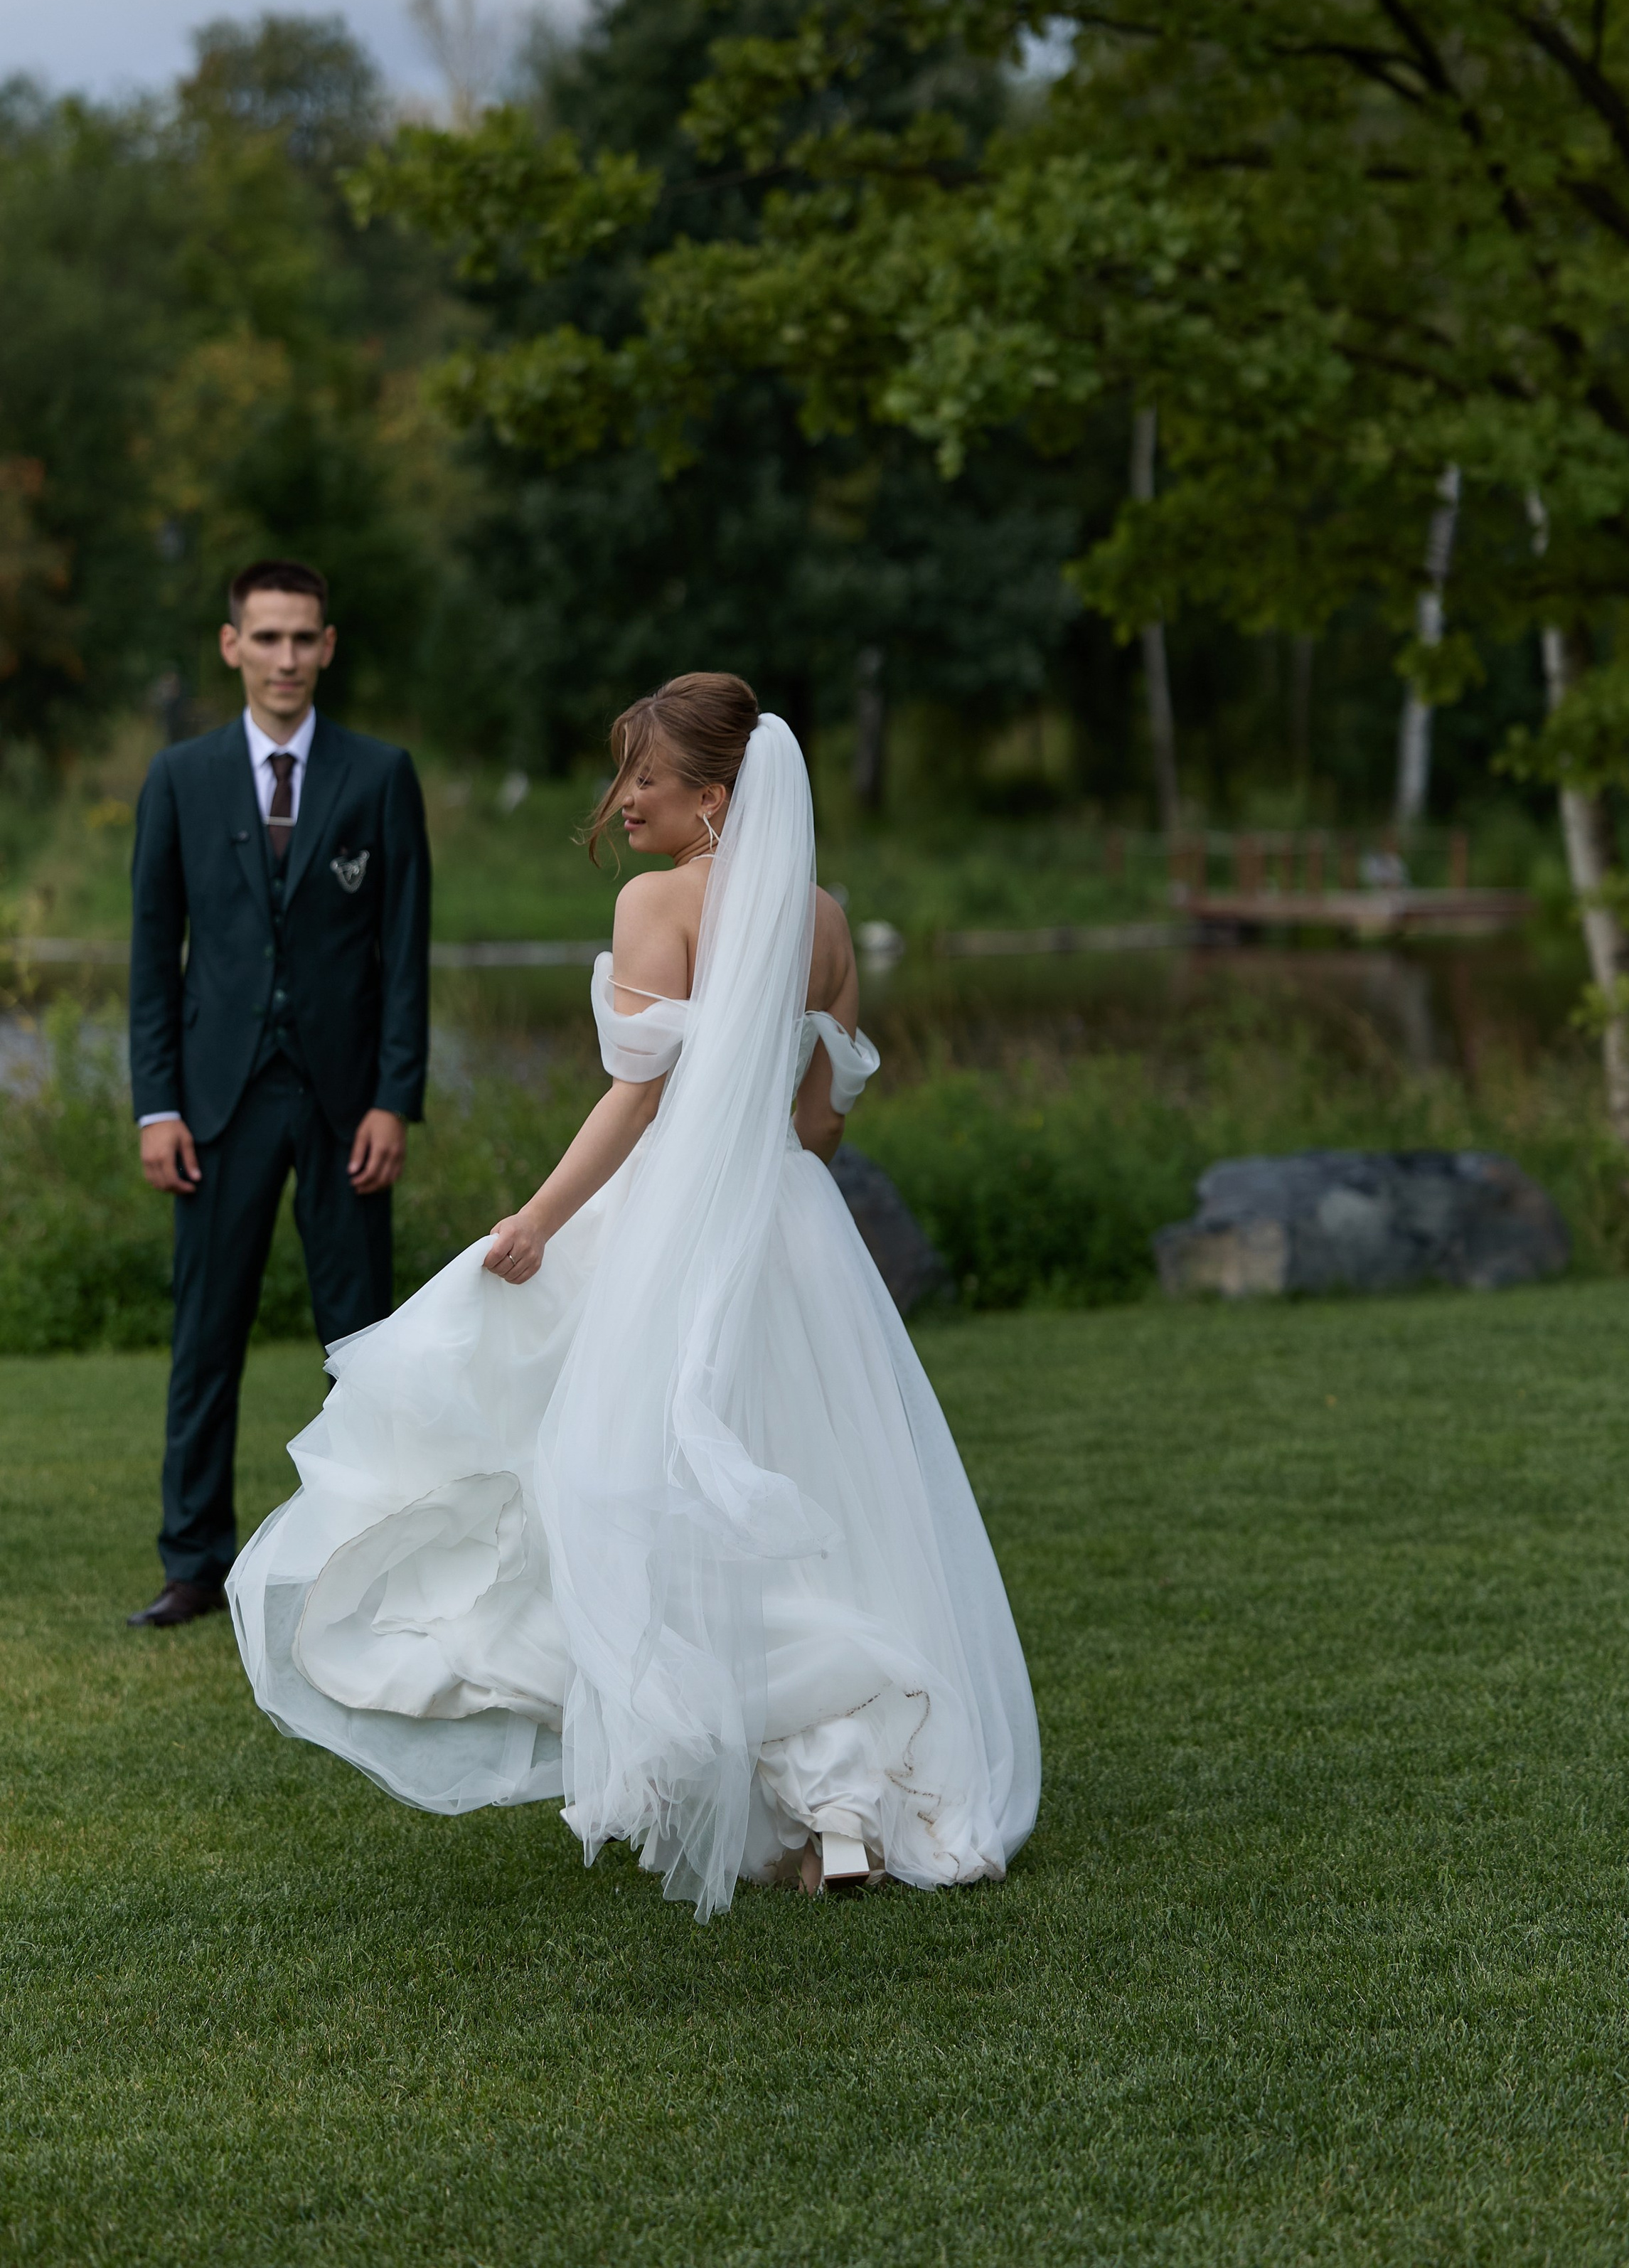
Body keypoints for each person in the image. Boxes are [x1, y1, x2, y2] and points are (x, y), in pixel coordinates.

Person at [228, 674, 1039, 1915]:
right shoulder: (823, 922)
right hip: (792, 1232)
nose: (623, 802)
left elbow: (636, 1096)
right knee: (815, 1498)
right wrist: (769, 1166)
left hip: (679, 1228)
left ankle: (750, 1762)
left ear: (713, 798)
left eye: (643, 779)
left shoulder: (656, 903)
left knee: (627, 1486)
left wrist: (538, 1220)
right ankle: (842, 1812)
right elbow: (823, 1120)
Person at [127, 560, 432, 1629]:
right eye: (268, 639)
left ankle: (369, 1553)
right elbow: (150, 957)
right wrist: (155, 1105)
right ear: (232, 646)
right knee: (206, 1334)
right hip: (216, 1103)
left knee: (363, 1342)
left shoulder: (380, 774)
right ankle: (193, 1560)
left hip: (350, 1104)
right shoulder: (180, 779)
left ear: (329, 647)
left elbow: (405, 953)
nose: (287, 659)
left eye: (304, 639)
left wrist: (398, 1096)